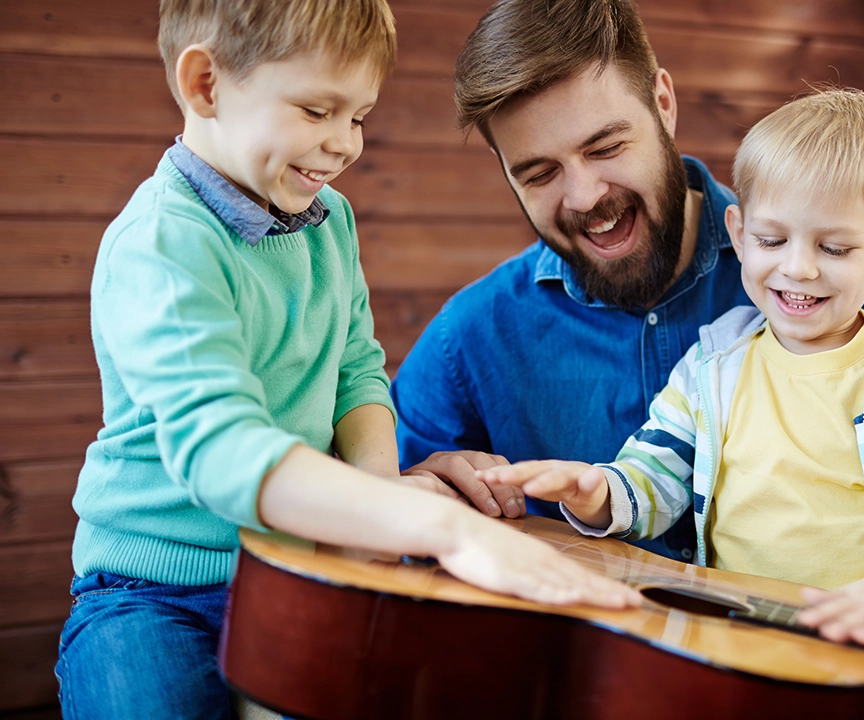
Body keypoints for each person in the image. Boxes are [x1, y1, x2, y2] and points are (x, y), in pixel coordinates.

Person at [391, 0, 864, 666]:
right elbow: (375, 497)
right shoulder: (471, 337)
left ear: (662, 101)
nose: (584, 196)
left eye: (605, 146)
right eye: (538, 173)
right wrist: (411, 484)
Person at [54, 1, 639, 717]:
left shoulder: (328, 222)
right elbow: (221, 454)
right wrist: (434, 525)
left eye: (357, 116)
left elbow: (356, 370)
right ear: (206, 85)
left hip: (302, 565)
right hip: (153, 593)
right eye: (315, 110)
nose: (342, 145)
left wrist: (379, 490)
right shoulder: (163, 244)